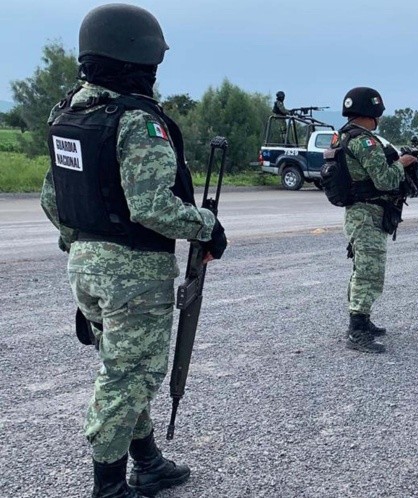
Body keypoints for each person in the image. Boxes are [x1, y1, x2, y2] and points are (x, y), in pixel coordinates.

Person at [40, 4, 227, 497]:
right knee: (128, 377)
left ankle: (147, 461)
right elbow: (151, 207)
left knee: (127, 368)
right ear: (141, 58)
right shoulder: (136, 120)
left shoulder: (68, 114)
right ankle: (108, 487)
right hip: (133, 274)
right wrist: (207, 226)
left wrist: (82, 246)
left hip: (84, 265)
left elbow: (52, 198)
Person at [338, 87, 418, 353]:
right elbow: (385, 180)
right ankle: (357, 331)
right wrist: (402, 163)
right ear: (371, 112)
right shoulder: (364, 142)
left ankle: (362, 321)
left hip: (360, 214)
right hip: (367, 215)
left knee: (362, 268)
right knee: (369, 271)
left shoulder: (344, 136)